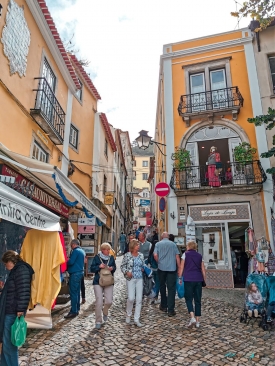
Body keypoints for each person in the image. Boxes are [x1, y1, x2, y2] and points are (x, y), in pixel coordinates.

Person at [0, 250, 34, 366]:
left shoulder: (21, 270)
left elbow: (24, 291)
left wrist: (20, 309)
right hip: (11, 309)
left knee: (9, 344)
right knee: (6, 343)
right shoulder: (17, 270)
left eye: (6, 263)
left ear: (11, 261)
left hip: (13, 311)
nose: (5, 266)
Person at [178, 241, 206, 328]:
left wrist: (180, 278)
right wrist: (204, 280)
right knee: (198, 300)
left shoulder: (185, 254)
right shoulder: (200, 256)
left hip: (188, 279)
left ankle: (192, 316)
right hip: (198, 279)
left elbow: (181, 267)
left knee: (188, 298)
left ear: (189, 246)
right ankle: (197, 321)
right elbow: (203, 269)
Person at [154, 232, 180, 317]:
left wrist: (159, 262)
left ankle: (164, 306)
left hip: (161, 268)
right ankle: (171, 310)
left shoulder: (158, 244)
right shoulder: (173, 244)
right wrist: (179, 268)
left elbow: (155, 255)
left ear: (162, 237)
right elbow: (177, 257)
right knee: (171, 288)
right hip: (172, 268)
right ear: (168, 237)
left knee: (162, 286)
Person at [90, 243, 116, 329]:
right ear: (102, 250)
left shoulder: (111, 258)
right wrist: (99, 266)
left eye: (109, 249)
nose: (108, 251)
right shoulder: (97, 257)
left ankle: (105, 311)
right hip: (98, 281)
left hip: (108, 281)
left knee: (109, 301)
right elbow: (92, 268)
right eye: (107, 249)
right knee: (99, 301)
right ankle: (98, 320)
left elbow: (114, 268)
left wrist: (112, 268)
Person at [121, 239, 145, 327]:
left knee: (139, 299)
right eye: (137, 245)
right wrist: (127, 272)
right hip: (130, 278)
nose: (138, 246)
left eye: (138, 245)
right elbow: (122, 266)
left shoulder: (141, 255)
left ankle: (136, 319)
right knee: (131, 298)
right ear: (132, 246)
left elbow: (143, 265)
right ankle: (128, 314)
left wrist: (143, 268)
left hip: (139, 278)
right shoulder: (127, 255)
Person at [64, 239, 85, 319]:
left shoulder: (75, 251)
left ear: (73, 244)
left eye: (71, 245)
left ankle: (73, 311)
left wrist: (68, 260)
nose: (70, 246)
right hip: (80, 273)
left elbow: (71, 262)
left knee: (73, 293)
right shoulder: (82, 251)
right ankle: (77, 309)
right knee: (77, 292)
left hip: (75, 274)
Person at [147, 240, 160, 305]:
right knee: (158, 283)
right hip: (157, 269)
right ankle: (155, 296)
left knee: (153, 283)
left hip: (152, 269)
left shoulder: (151, 252)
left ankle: (153, 295)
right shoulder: (157, 252)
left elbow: (148, 260)